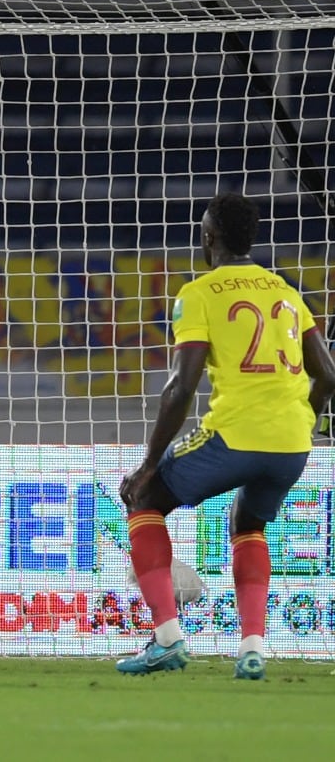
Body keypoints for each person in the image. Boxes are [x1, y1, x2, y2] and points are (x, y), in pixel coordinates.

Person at [117, 193, 335, 680]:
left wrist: (149, 464)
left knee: (144, 499)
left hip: (235, 436)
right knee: (248, 524)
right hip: (292, 445)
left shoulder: (200, 294)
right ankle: (252, 650)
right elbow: (328, 375)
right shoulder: (286, 292)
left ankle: (167, 640)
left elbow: (180, 387)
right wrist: (308, 421)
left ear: (208, 237)